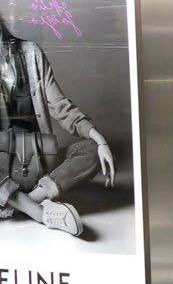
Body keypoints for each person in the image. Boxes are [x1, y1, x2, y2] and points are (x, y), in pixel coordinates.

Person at [0, 14, 116, 237]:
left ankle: (22, 202)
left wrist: (100, 141)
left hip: (39, 163)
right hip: (3, 172)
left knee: (92, 150)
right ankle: (40, 213)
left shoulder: (31, 53)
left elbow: (61, 107)